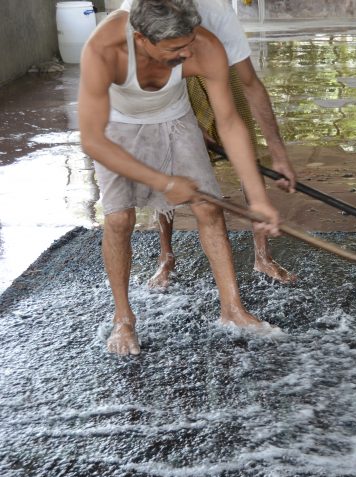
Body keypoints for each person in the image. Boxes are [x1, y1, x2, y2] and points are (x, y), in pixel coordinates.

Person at [79, 0, 282, 355]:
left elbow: (230, 123)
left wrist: (259, 197)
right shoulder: (102, 48)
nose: (186, 53)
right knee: (119, 218)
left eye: (188, 43)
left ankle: (232, 308)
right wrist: (164, 182)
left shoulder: (203, 46)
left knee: (208, 207)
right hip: (116, 126)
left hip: (176, 118)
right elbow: (92, 139)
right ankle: (123, 319)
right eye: (175, 49)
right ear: (140, 38)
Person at [119, 0, 298, 288]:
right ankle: (166, 256)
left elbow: (251, 85)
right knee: (167, 162)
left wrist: (279, 155)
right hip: (167, 76)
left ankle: (262, 256)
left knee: (246, 155)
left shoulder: (217, 12)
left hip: (217, 66)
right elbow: (136, 86)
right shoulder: (134, 13)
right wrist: (185, 126)